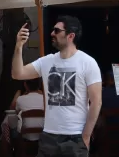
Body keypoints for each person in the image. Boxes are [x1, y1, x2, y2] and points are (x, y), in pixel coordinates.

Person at [12, 16, 102, 156]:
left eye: (57, 30)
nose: (52, 33)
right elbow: (17, 74)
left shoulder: (88, 63)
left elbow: (96, 102)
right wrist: (18, 46)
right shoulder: (47, 61)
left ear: (70, 36)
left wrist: (86, 135)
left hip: (75, 135)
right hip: (49, 135)